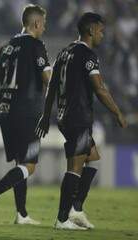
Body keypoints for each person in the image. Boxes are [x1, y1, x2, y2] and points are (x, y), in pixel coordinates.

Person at [35, 12, 128, 230]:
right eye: (101, 31)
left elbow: (51, 88)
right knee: (75, 168)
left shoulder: (64, 52)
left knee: (93, 158)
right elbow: (100, 89)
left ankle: (75, 209)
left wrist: (46, 115)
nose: (103, 36)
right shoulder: (88, 55)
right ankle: (62, 218)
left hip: (65, 115)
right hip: (78, 115)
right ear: (91, 30)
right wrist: (117, 113)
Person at [0, 4, 51, 225]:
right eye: (44, 23)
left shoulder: (7, 46)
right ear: (37, 23)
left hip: (5, 111)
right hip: (28, 111)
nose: (45, 27)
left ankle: (22, 214)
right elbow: (47, 77)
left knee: (21, 163)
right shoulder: (37, 45)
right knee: (29, 165)